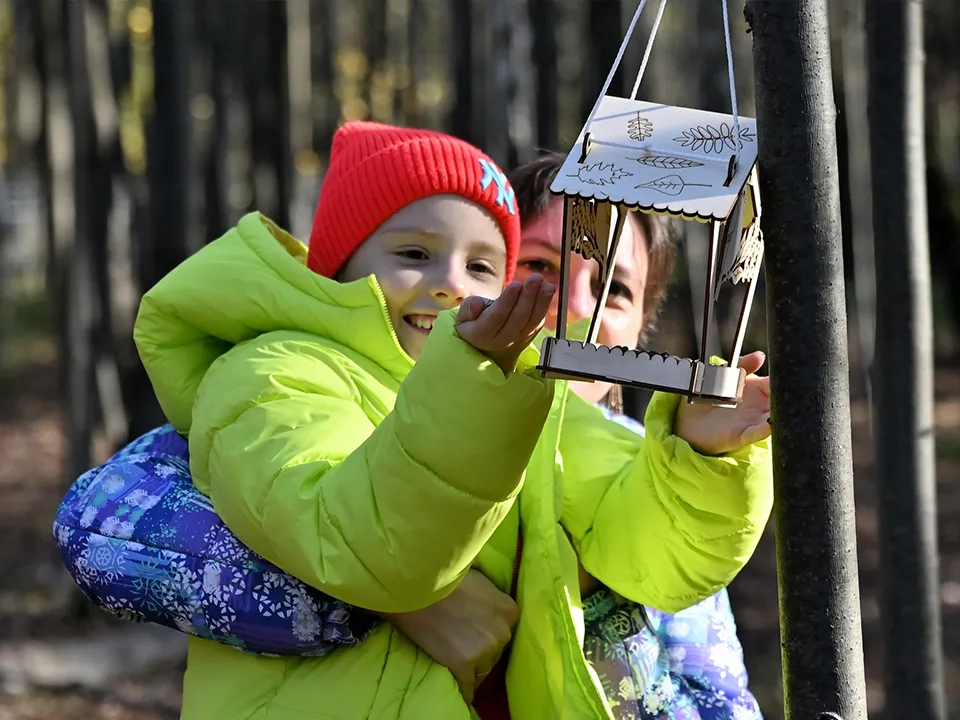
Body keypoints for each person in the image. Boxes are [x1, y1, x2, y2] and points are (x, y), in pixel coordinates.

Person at [65, 122, 774, 719]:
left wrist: (703, 455)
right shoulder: (287, 374)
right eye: (537, 267)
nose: (569, 305)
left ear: (644, 324)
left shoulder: (591, 440)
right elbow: (100, 526)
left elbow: (707, 664)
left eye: (612, 288)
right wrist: (392, 604)